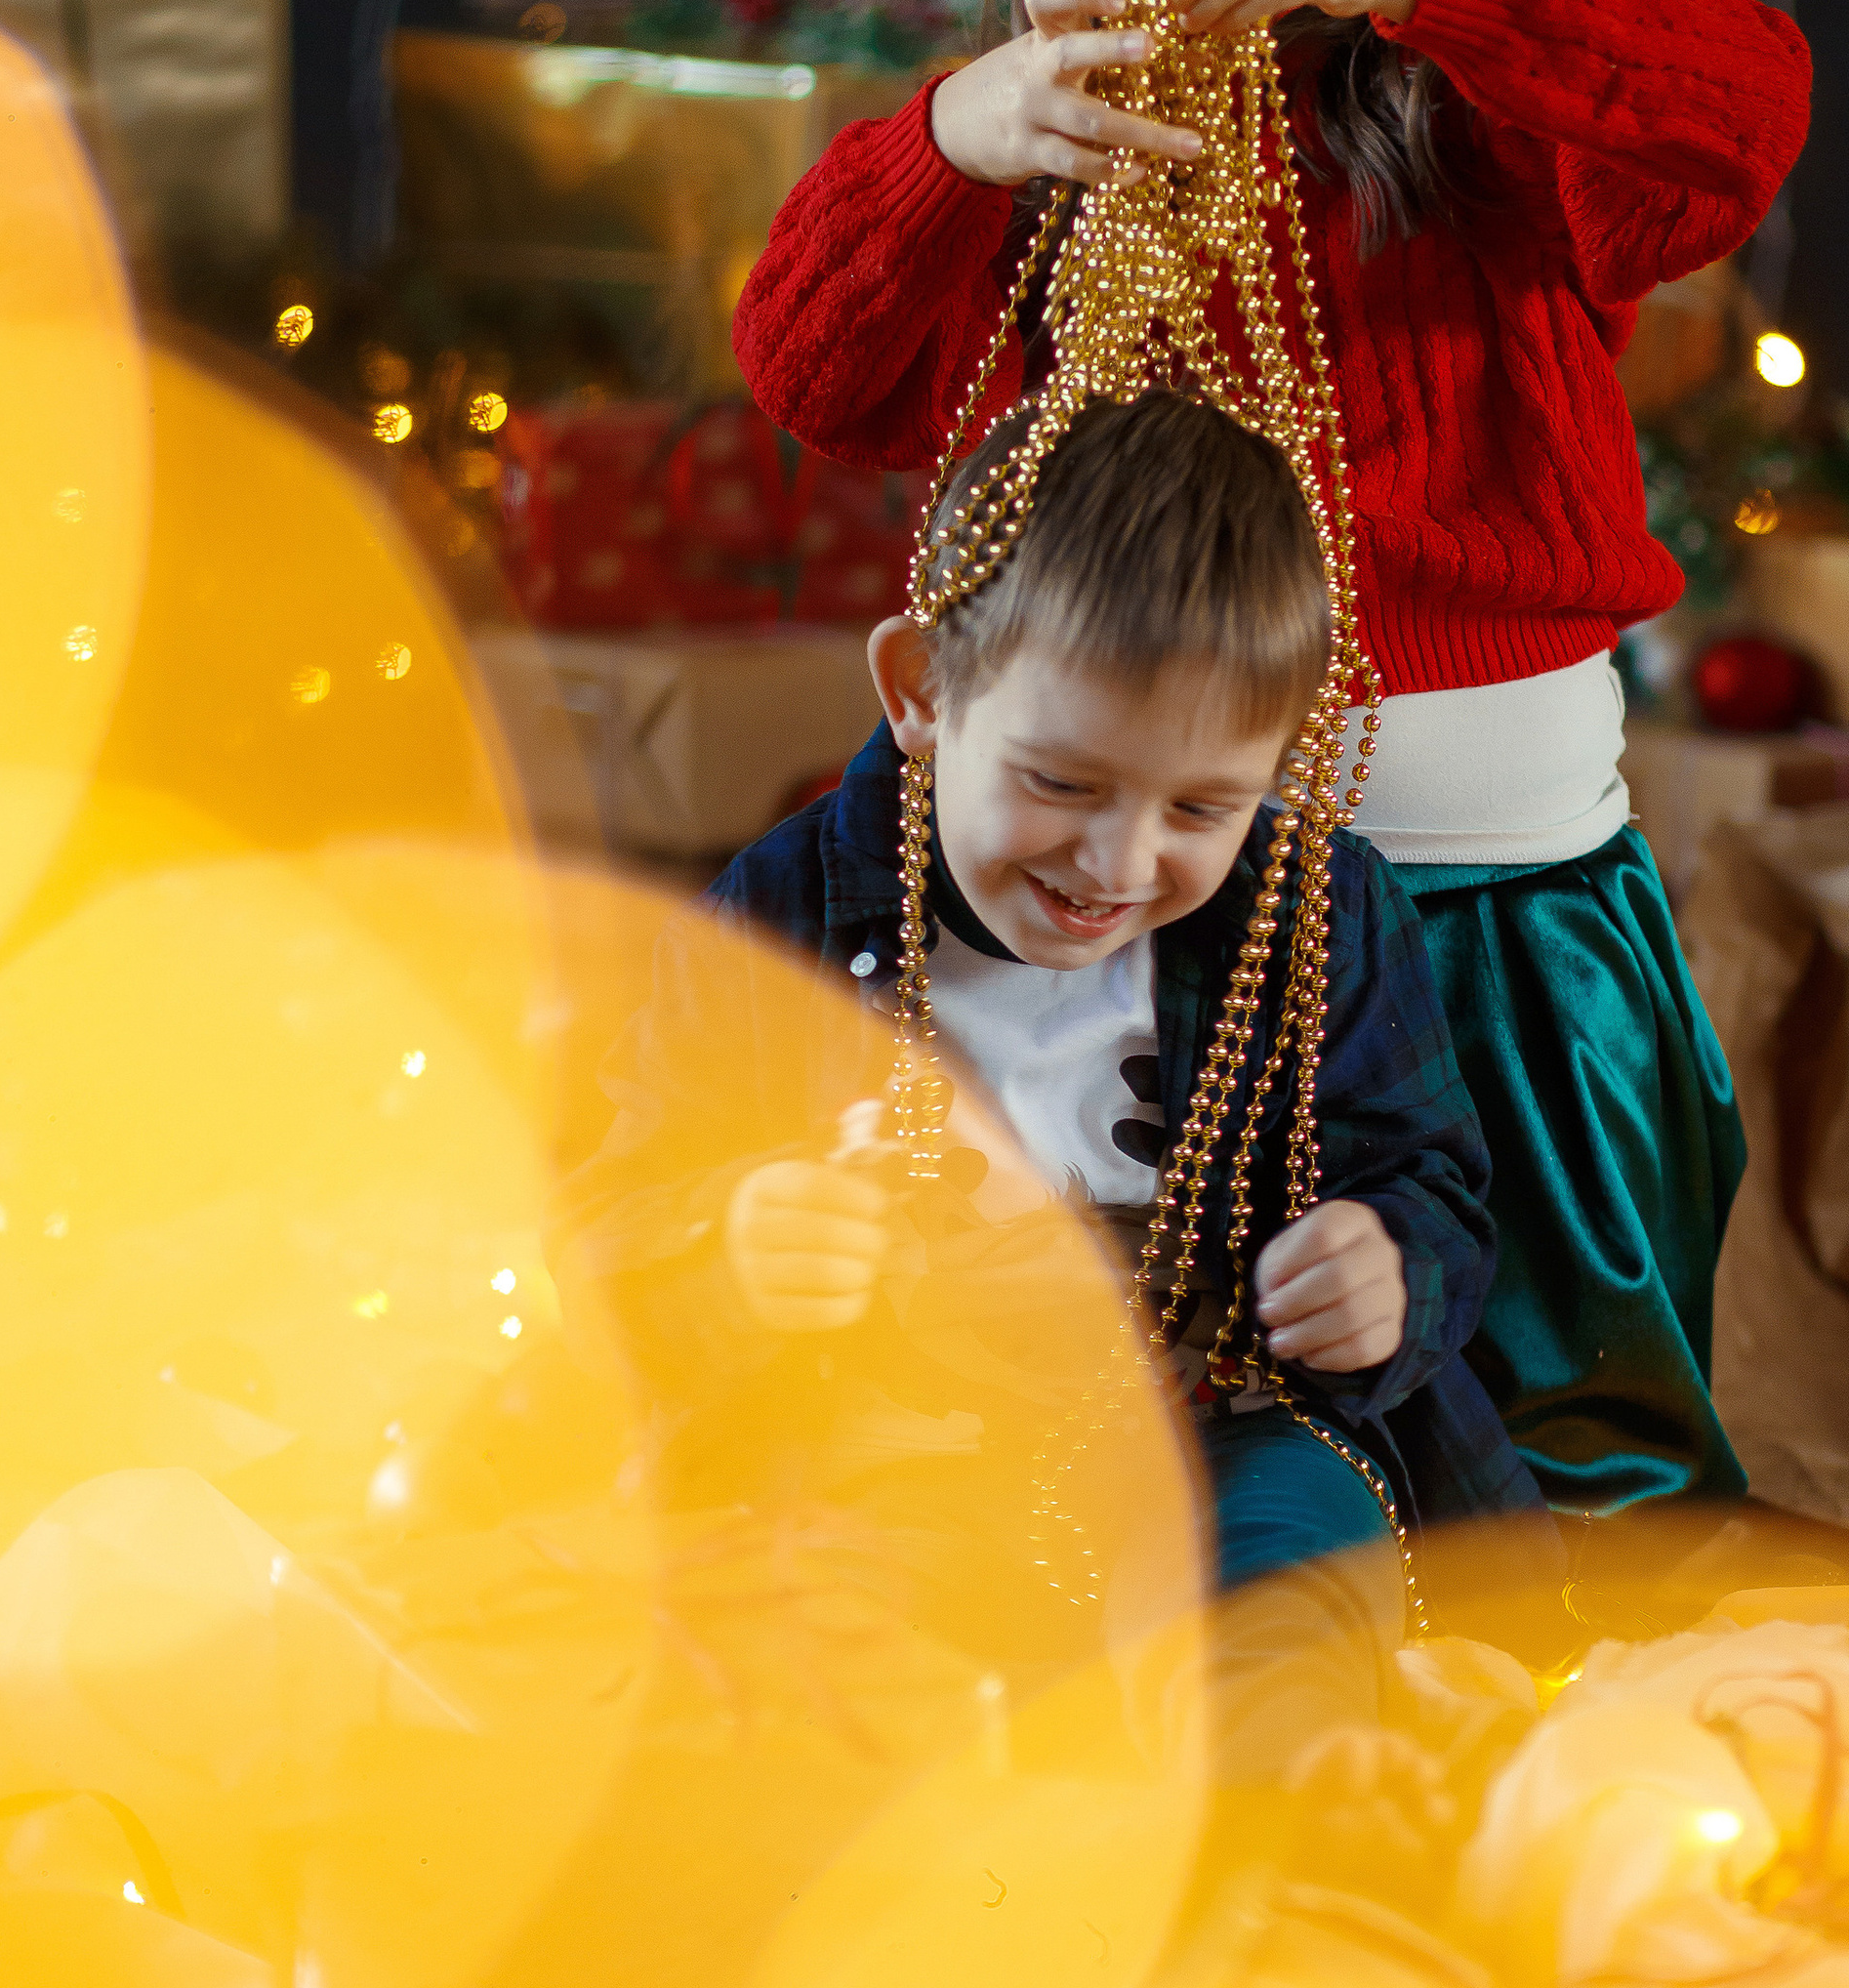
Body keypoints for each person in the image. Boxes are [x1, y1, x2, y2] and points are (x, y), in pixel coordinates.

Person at [731, 0, 1813, 1525]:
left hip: (1486, 903)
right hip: (1145, 919)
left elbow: (1741, 118)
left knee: (1551, 1459)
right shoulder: (1037, 119)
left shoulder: (1491, 97)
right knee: (1209, 1410)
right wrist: (958, 138)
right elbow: (811, 369)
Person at [562, 391, 1531, 1757]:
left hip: (1220, 1417)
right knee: (832, 1619)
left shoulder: (1312, 912)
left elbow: (1425, 1176)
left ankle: (1278, 1813)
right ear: (922, 695)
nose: (1120, 866)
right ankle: (951, 1827)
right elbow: (611, 1215)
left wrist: (1385, 1269)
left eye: (1201, 807)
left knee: (1298, 1567)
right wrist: (729, 1238)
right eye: (1063, 784)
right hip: (895, 1433)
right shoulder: (778, 911)